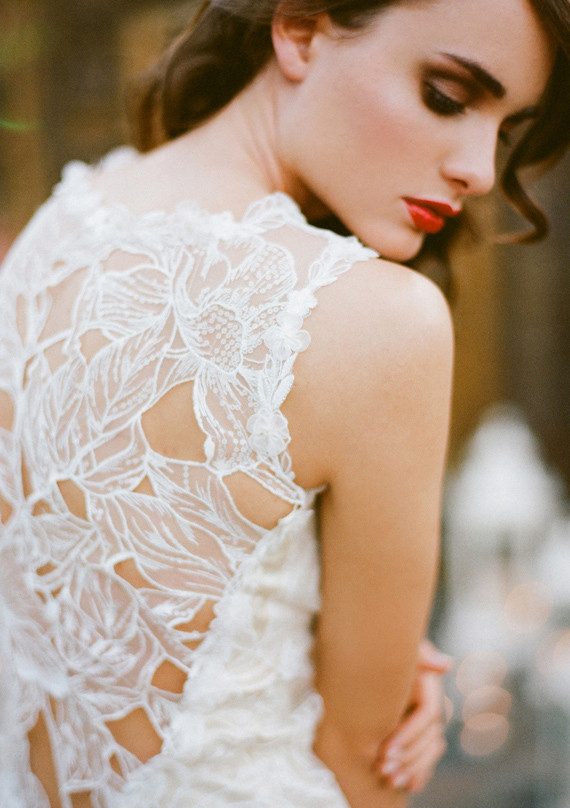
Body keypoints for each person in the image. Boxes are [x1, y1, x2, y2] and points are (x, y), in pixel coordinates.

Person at [0, 0, 568, 806]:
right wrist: (380, 681)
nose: (479, 170)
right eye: (446, 96)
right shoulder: (381, 322)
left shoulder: (60, 226)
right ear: (300, 29)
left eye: (505, 130)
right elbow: (362, 766)